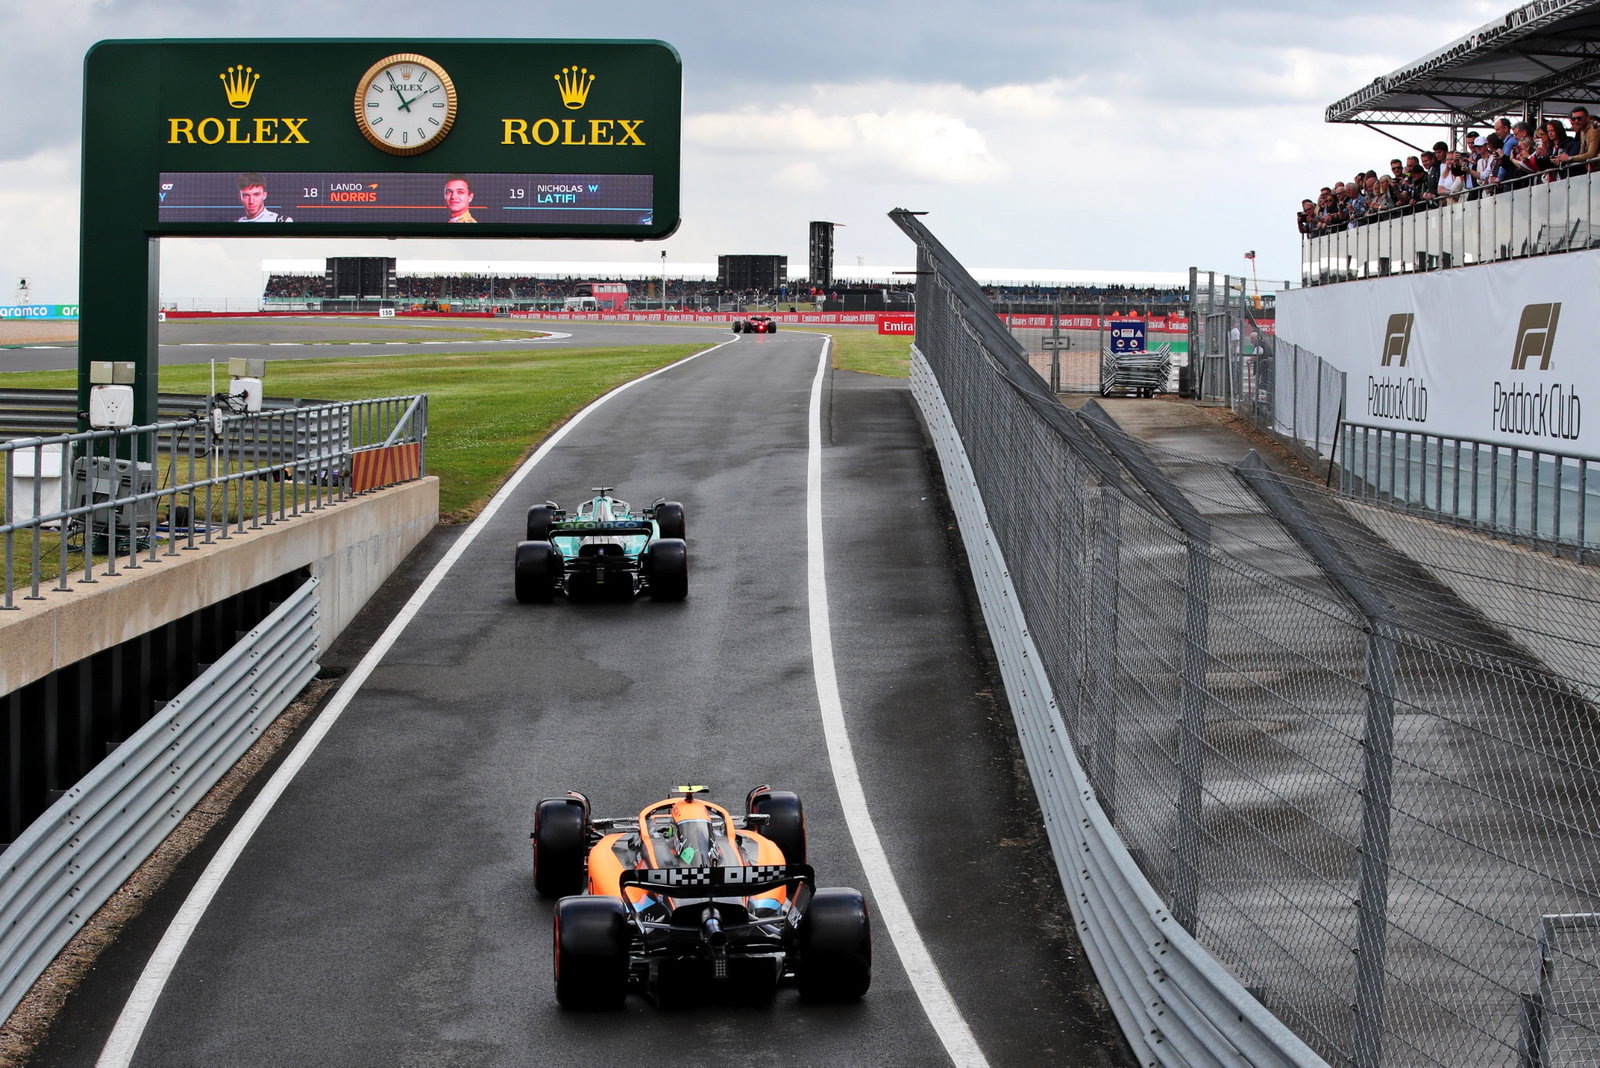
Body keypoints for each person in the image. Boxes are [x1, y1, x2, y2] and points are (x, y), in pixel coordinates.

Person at [1556, 106, 1599, 172]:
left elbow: (1591, 154)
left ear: (1587, 118)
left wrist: (1570, 158)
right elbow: (1581, 153)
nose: (1576, 121)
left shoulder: (1593, 130)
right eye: (1573, 119)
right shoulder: (1582, 131)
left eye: (1579, 118)